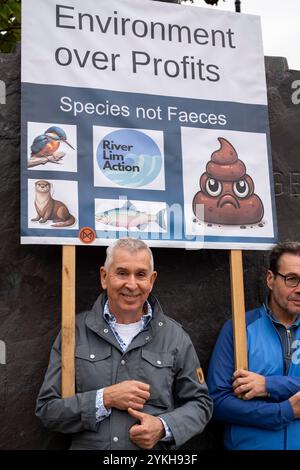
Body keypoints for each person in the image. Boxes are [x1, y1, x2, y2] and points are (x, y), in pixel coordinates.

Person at [36, 237, 213, 450]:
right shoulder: (73, 333)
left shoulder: (175, 337)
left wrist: (163, 427)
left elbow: (201, 405)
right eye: (122, 273)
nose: (131, 284)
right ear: (104, 277)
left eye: (140, 274)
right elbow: (48, 409)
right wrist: (105, 398)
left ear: (152, 280)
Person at [207, 241, 300, 450]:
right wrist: (284, 412)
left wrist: (268, 385)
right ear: (270, 279)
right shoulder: (239, 328)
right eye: (292, 279)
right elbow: (217, 401)